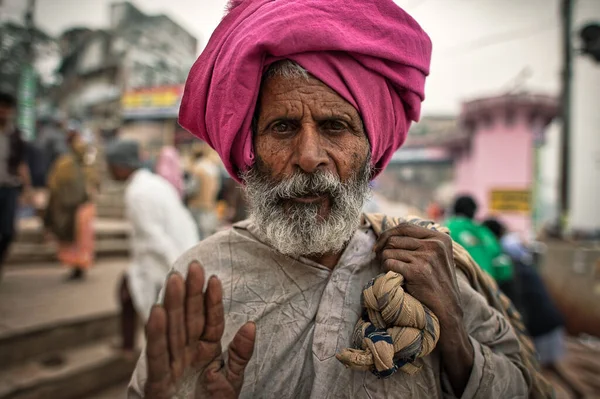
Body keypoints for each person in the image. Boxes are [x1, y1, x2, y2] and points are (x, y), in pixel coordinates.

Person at [128, 1, 548, 398]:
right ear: (250, 147)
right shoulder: (203, 278)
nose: (309, 158)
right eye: (283, 127)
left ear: (371, 149)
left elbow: (523, 386)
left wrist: (453, 330)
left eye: (334, 126)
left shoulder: (429, 267)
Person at [105, 140, 199, 353]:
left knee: (157, 315)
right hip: (175, 254)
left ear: (121, 166)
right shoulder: (155, 183)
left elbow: (154, 236)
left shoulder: (137, 194)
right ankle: (129, 346)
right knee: (129, 293)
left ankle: (152, 359)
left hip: (163, 262)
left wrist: (178, 265)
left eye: (110, 165)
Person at [44, 123, 98, 281]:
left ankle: (79, 267)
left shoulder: (85, 164)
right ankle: (75, 267)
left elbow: (93, 183)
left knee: (81, 240)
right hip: (70, 208)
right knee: (73, 240)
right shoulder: (64, 164)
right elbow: (55, 185)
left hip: (82, 208)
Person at [445, 195, 515, 294]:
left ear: (454, 209)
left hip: (458, 288)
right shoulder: (484, 233)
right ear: (474, 212)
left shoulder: (444, 229)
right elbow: (503, 268)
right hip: (486, 288)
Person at [0, 92, 32, 277]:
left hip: (9, 187)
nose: (3, 111)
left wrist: (28, 189)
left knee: (8, 232)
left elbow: (20, 163)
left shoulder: (15, 135)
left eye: (6, 108)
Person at [187, 143, 221, 239]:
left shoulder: (197, 168)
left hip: (197, 207)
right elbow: (217, 188)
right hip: (210, 207)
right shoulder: (213, 168)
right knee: (208, 236)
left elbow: (192, 189)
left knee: (197, 236)